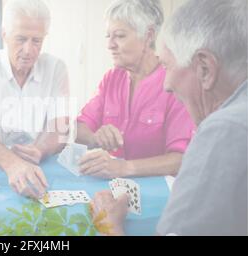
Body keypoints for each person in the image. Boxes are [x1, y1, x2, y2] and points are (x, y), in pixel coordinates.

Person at [90, 0, 247, 236]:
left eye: (168, 65)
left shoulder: (224, 132)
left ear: (205, 68)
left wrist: (109, 226)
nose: (166, 84)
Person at [0, 0, 70, 199]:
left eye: (36, 41)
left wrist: (40, 149)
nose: (28, 50)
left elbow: (60, 127)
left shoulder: (56, 69)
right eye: (21, 39)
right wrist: (12, 163)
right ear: (5, 34)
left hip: (32, 169)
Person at [76, 0, 195, 179]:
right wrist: (95, 138)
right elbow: (78, 129)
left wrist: (124, 168)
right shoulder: (111, 78)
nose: (110, 45)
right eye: (108, 36)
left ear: (148, 36)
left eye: (120, 36)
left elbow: (180, 159)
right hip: (110, 191)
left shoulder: (173, 83)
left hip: (155, 196)